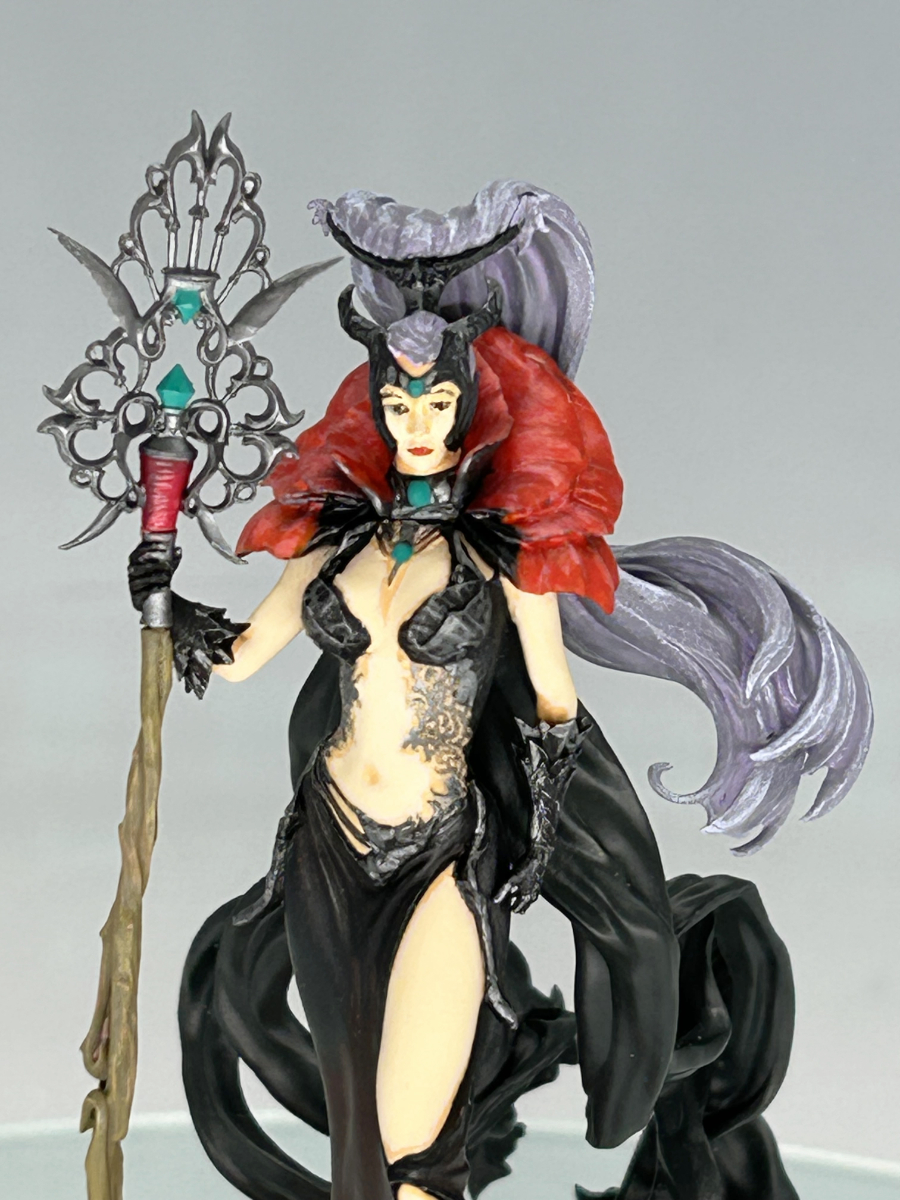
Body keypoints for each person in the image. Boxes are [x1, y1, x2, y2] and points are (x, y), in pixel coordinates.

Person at [137, 182, 871, 1200]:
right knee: (360, 1145)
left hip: (439, 855)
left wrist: (537, 840)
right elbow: (242, 656)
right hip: (324, 849)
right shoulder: (335, 540)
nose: (417, 422)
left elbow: (554, 705)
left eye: (436, 403)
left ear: (467, 408)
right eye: (399, 404)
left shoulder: (504, 557)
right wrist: (163, 595)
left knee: (415, 1145)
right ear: (377, 409)